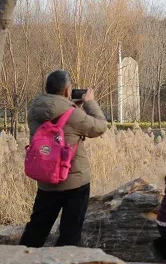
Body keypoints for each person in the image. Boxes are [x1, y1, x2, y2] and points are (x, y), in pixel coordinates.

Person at [20, 70, 108, 247]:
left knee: (36, 229)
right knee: (70, 233)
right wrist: (89, 103)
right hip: (74, 182)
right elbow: (100, 126)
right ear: (68, 91)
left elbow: (55, 112)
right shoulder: (73, 115)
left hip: (46, 180)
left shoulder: (34, 110)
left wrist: (70, 105)